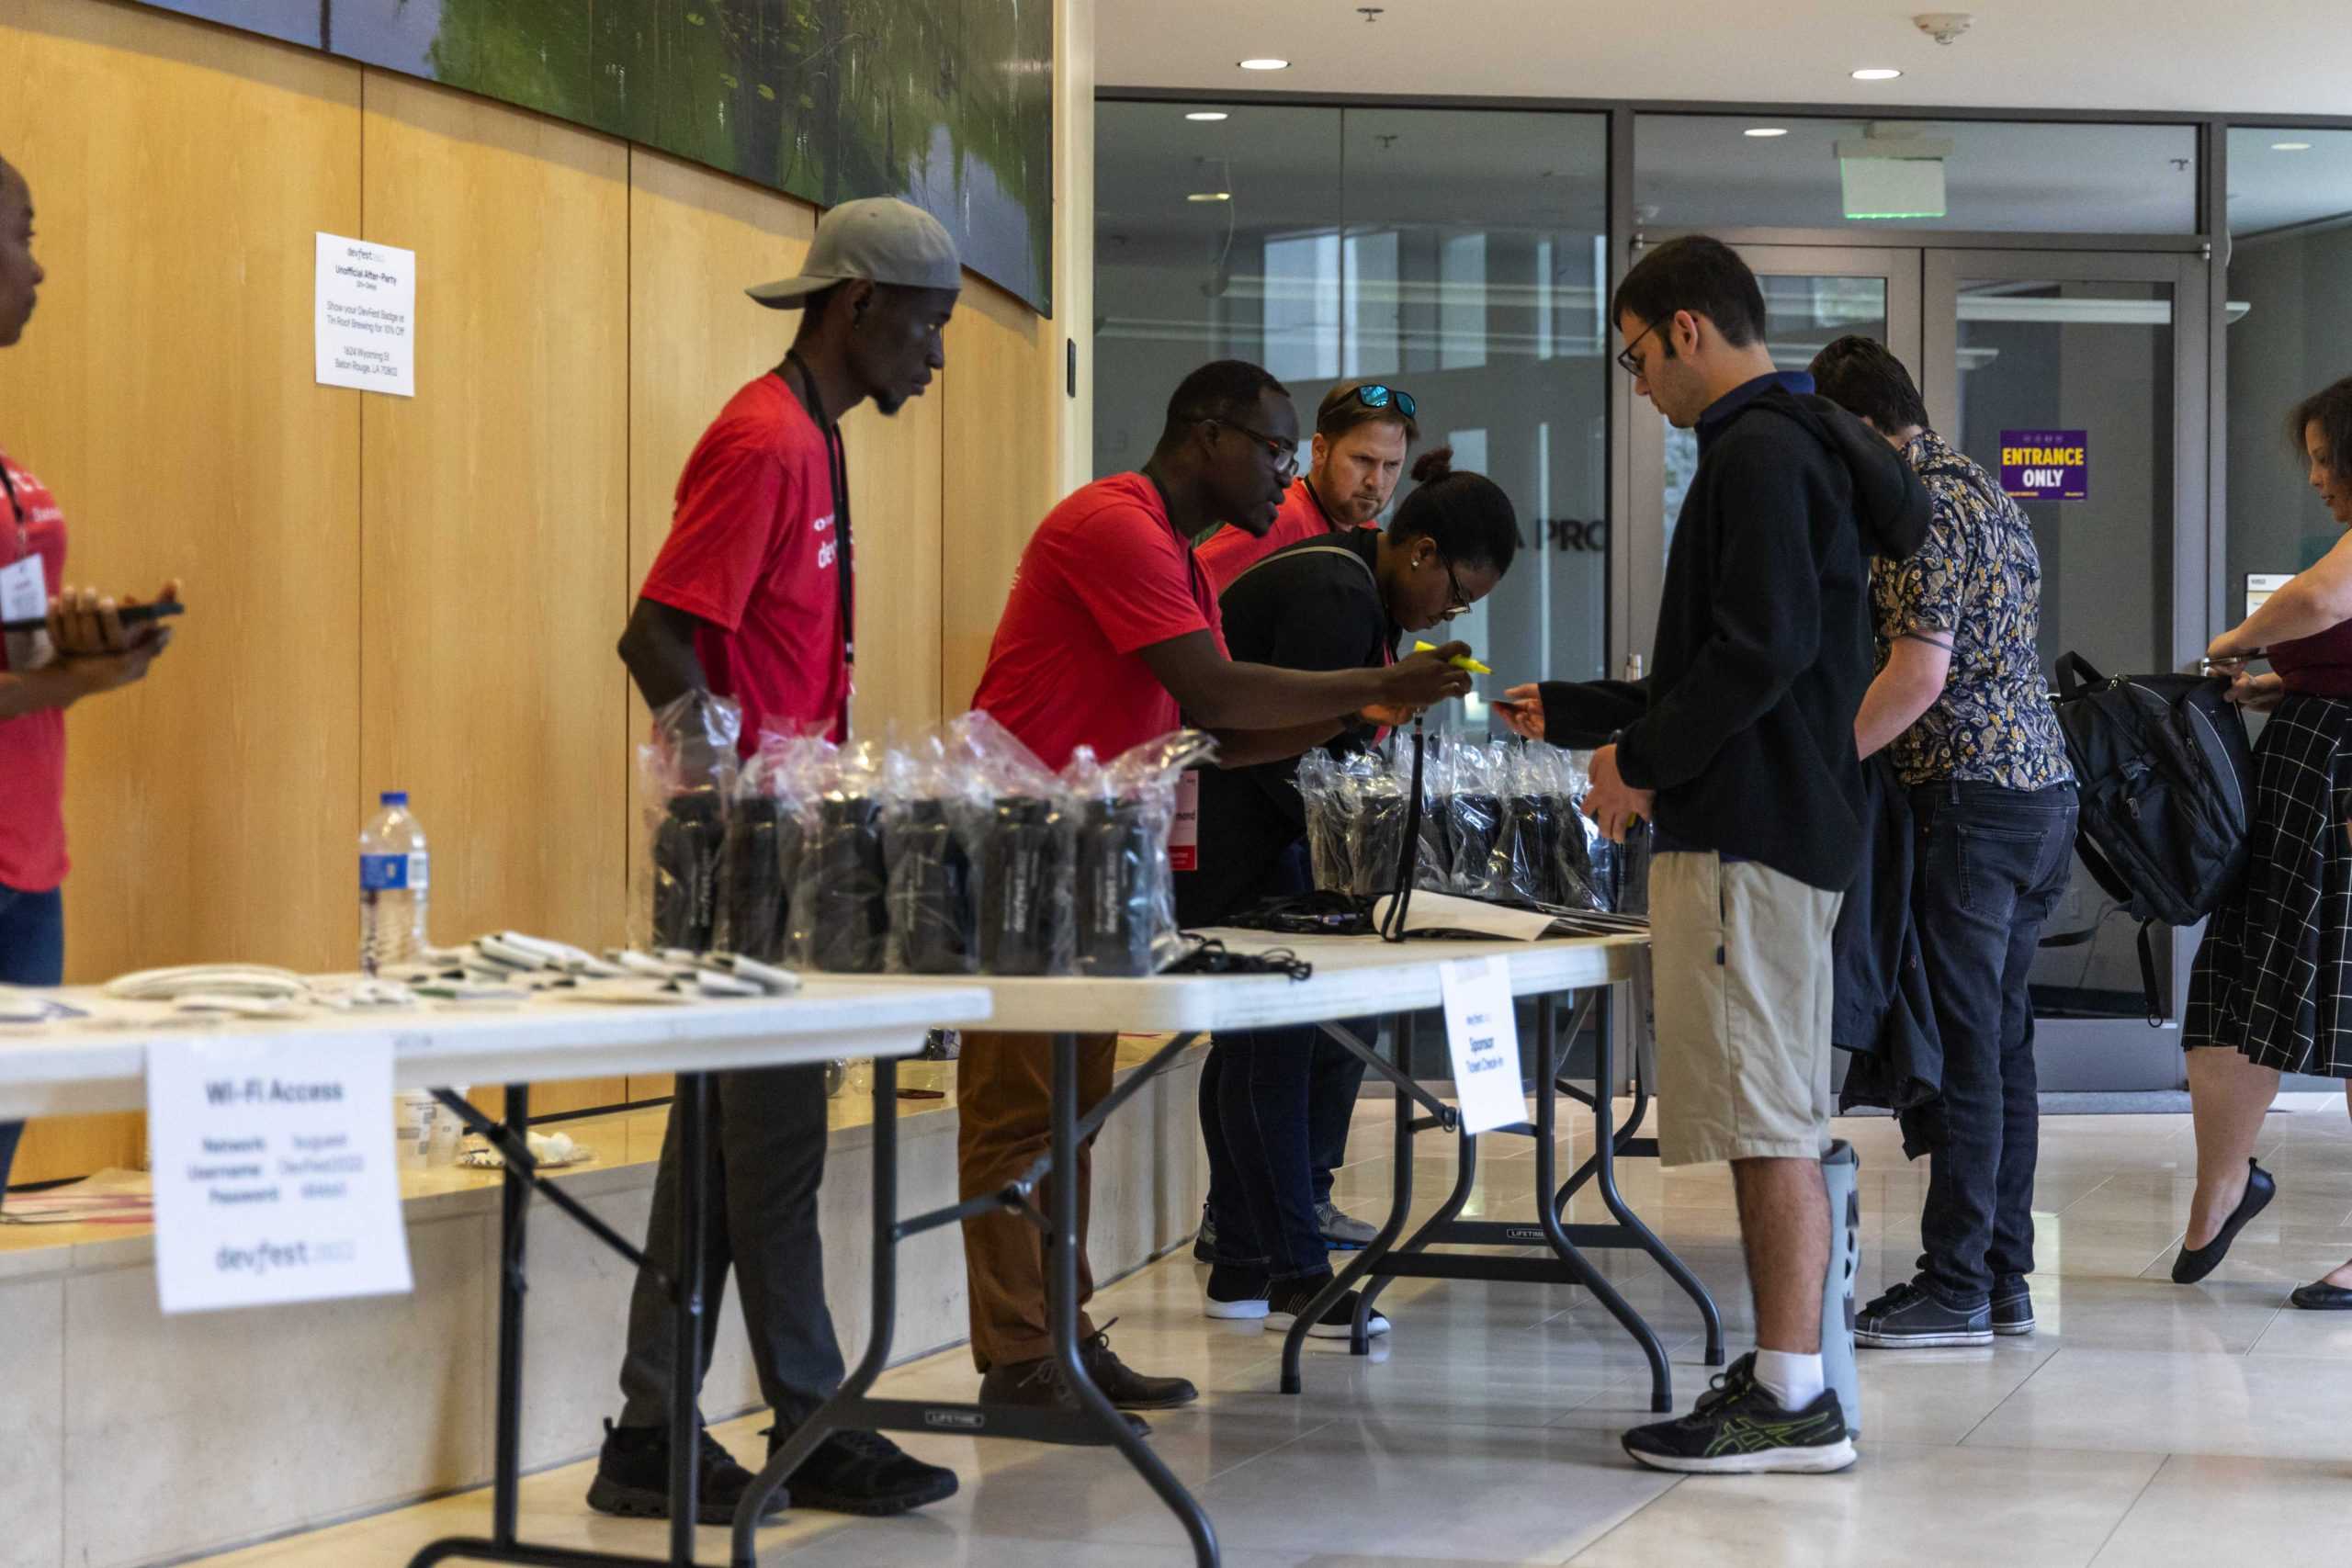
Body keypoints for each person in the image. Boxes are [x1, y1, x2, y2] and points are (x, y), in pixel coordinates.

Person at [961, 359, 1473, 1432]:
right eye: (1276, 448)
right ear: (1206, 437)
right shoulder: (1115, 525)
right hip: (1029, 843)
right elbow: (1214, 689)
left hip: (1095, 849)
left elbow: (1215, 740)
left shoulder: (1182, 559)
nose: (1288, 472)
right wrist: (1368, 686)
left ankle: (1060, 1334)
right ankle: (1017, 1358)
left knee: (1066, 1116)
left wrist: (1354, 716)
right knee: (1020, 1115)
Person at [1501, 237, 1926, 1473]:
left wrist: (1639, 764)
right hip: (1769, 820)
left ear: (1687, 330)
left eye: (1635, 358)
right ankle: (1788, 1369)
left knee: (1766, 1118)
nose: (1638, 385)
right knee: (1765, 1108)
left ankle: (1793, 1392)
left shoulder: (1759, 451)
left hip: (1750, 833)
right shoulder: (1793, 444)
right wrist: (1595, 713)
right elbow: (1735, 655)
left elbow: (1760, 651)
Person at [587, 197, 963, 1525]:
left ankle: (648, 1429)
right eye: (928, 326)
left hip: (782, 846)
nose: (935, 358)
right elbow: (654, 637)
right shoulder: (763, 440)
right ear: (857, 304)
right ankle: (813, 1420)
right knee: (777, 1151)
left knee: (723, 1151)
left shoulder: (813, 435)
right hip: (748, 852)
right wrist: (738, 796)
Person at [1180, 445, 1518, 1335]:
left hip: (1240, 841)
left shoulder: (1353, 591)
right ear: (1420, 552)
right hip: (1231, 847)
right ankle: (1291, 1268)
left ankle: (1249, 1265)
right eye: (1454, 593)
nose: (1450, 613)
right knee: (1270, 1051)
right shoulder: (1336, 594)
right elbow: (1291, 754)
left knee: (1264, 1049)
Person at [1808, 335, 2078, 1348]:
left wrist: (1824, 766)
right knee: (2002, 1047)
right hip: (2042, 796)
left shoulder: (1919, 510)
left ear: (1855, 428)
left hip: (1971, 803)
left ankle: (1955, 1284)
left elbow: (1916, 677)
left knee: (1971, 1051)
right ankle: (2002, 1275)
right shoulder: (1987, 492)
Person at [1193, 376, 1424, 1261]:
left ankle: (1286, 1200)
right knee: (1272, 1031)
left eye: (1391, 467)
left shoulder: (1361, 546)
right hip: (1240, 802)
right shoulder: (1263, 534)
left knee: (1315, 1022)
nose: (1376, 481)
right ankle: (1258, 1214)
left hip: (1293, 799)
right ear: (1316, 453)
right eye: (1362, 460)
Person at [0, 152, 177, 1196]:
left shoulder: (14, 473)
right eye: (23, 235)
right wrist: (88, 683)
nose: (40, 269)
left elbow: (16, 655)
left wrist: (86, 645)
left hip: (29, 873)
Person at [2169, 374, 2352, 1312]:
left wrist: (2230, 643)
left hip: (2340, 792)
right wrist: (2279, 688)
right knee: (2233, 985)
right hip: (2306, 779)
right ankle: (2224, 1184)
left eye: (2326, 459)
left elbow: (2322, 602)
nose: (2316, 477)